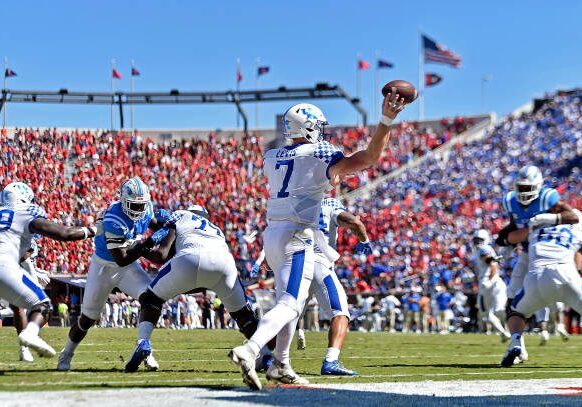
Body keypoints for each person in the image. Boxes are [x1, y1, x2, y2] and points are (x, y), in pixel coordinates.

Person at [229, 90, 407, 390]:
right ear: (310, 127)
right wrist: (386, 120)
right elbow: (370, 157)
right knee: (289, 304)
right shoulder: (319, 152)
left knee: (292, 304)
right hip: (297, 235)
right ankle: (252, 349)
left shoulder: (272, 156)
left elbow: (307, 177)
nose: (322, 132)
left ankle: (281, 364)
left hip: (272, 233)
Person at [124, 205, 274, 373]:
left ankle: (143, 341)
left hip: (190, 258)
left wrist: (139, 250)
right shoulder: (215, 229)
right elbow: (203, 277)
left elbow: (162, 255)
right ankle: (267, 355)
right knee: (244, 314)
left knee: (151, 297)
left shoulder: (181, 215)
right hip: (225, 265)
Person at [57, 177, 166, 371]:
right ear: (124, 202)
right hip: (105, 267)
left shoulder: (145, 209)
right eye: (134, 205)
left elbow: (155, 223)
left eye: (142, 206)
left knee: (152, 298)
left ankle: (144, 347)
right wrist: (147, 244)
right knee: (88, 318)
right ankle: (66, 353)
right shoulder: (113, 219)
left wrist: (169, 225)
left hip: (128, 266)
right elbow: (121, 258)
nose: (139, 210)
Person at [0, 182, 95, 359]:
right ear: (24, 199)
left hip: (8, 264)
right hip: (4, 265)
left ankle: (24, 349)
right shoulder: (26, 212)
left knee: (17, 306)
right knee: (43, 305)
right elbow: (65, 234)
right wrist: (94, 230)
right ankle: (30, 333)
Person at [497, 165, 580, 359]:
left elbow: (572, 217)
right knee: (511, 301)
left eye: (528, 188)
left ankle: (528, 336)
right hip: (527, 254)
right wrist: (507, 241)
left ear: (538, 185)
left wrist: (548, 219)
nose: (524, 192)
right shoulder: (510, 201)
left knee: (520, 303)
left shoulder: (547, 197)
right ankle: (517, 345)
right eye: (521, 187)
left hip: (547, 254)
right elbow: (513, 226)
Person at [501, 211, 582, 367]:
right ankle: (546, 330)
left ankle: (516, 341)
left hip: (536, 277)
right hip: (567, 275)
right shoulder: (575, 227)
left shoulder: (535, 223)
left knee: (515, 311)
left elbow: (508, 238)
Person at [471, 229, 510, 340]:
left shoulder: (482, 249)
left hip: (488, 283)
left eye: (479, 239)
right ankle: (505, 332)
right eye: (476, 239)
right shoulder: (488, 248)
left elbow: (492, 264)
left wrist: (489, 280)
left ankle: (504, 332)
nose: (477, 242)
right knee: (498, 310)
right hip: (497, 282)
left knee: (486, 312)